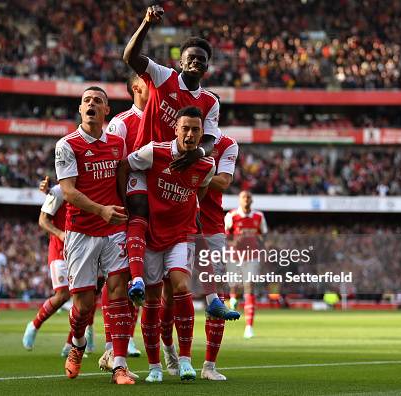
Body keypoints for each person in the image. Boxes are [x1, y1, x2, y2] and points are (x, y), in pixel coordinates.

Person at [122, 6, 237, 323]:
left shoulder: (210, 101)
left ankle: (212, 297)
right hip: (148, 162)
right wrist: (145, 24)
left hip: (178, 175)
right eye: (192, 57)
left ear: (207, 67)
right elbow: (130, 58)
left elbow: (211, 140)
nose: (197, 62)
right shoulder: (163, 76)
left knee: (193, 223)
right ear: (181, 61)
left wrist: (199, 154)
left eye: (202, 58)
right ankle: (135, 280)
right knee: (138, 212)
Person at [117, 106, 215, 382]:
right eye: (185, 128)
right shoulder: (155, 151)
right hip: (151, 234)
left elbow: (202, 188)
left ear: (201, 133)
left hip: (181, 234)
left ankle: (184, 360)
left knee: (181, 286)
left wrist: (189, 208)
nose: (190, 133)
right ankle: (154, 367)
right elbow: (125, 165)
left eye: (196, 129)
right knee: (151, 301)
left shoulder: (207, 164)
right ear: (176, 129)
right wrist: (125, 204)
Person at [55, 86, 134, 385]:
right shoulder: (67, 144)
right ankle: (77, 345)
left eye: (97, 101)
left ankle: (119, 365)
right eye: (86, 100)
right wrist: (101, 209)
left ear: (106, 111)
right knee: (84, 306)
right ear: (80, 109)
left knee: (118, 292)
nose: (91, 104)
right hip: (81, 232)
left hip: (114, 229)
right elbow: (68, 191)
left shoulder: (117, 144)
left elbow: (124, 181)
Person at [98, 72, 149, 368]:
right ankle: (110, 343)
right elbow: (115, 164)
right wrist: (119, 201)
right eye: (149, 83)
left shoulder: (161, 118)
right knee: (120, 275)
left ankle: (124, 338)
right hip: (127, 205)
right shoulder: (121, 122)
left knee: (140, 275)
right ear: (136, 87)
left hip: (152, 204)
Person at [22, 177, 96, 357]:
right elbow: (42, 220)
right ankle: (34, 325)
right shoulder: (58, 191)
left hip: (84, 250)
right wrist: (60, 233)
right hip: (60, 250)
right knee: (62, 295)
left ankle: (70, 344)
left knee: (88, 298)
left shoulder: (92, 187)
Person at [196, 128, 239, 380]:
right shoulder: (179, 131)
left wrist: (194, 168)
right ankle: (173, 360)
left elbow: (223, 181)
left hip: (211, 226)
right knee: (170, 294)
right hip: (174, 222)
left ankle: (209, 366)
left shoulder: (227, 144)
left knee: (217, 298)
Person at [225, 191, 268, 339]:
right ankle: (233, 298)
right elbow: (225, 236)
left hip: (252, 256)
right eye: (244, 197)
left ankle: (249, 326)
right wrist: (232, 242)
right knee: (234, 285)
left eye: (249, 197)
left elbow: (264, 235)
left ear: (252, 200)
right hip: (235, 256)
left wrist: (262, 246)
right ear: (239, 200)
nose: (246, 200)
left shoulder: (259, 217)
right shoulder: (231, 216)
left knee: (249, 286)